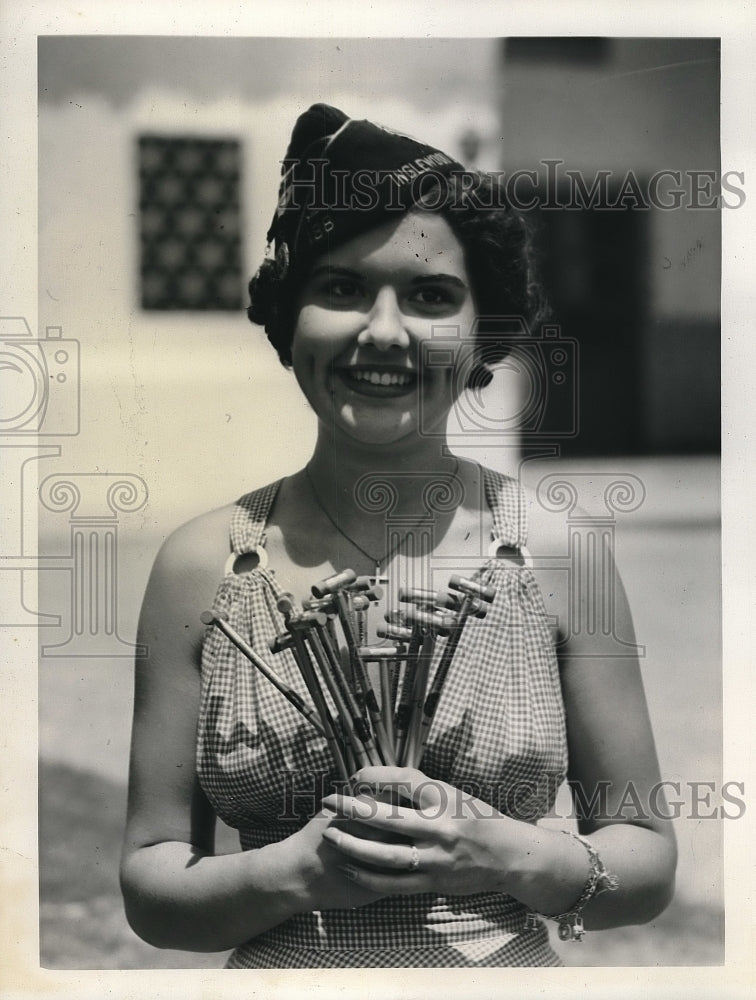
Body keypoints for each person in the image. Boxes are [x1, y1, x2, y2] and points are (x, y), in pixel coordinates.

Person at [120, 103, 677, 967]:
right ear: (289, 315)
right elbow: (153, 883)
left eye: (430, 296)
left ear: (482, 331)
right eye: (340, 287)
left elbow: (643, 861)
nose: (384, 332)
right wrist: (292, 875)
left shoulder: (560, 556)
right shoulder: (203, 567)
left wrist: (504, 854)